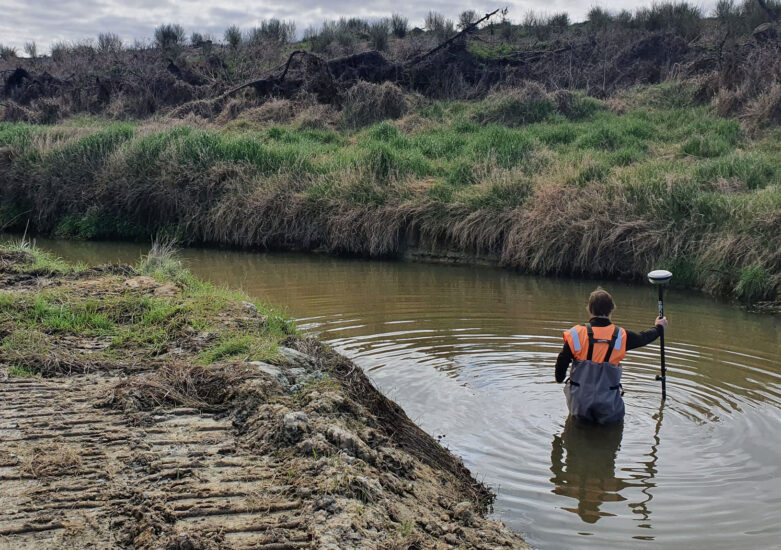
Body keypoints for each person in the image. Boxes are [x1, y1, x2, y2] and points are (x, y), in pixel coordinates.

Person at [555, 288, 668, 424]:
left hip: (579, 404)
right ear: (612, 309)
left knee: (578, 427)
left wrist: (560, 378)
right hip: (608, 405)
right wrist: (659, 328)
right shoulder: (621, 336)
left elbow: (561, 363)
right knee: (611, 431)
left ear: (590, 309)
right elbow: (643, 338)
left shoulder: (575, 334)